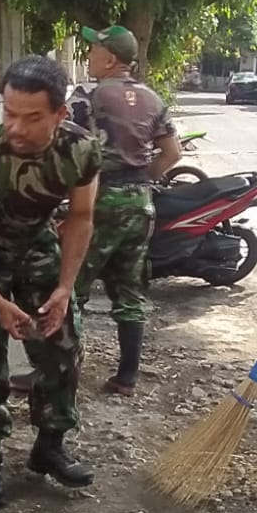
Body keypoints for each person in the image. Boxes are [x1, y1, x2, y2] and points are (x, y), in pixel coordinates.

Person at [0, 55, 102, 507]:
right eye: (9, 113)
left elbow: (82, 217)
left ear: (59, 114)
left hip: (35, 246)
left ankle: (49, 446)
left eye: (32, 118)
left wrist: (65, 288)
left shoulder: (80, 150)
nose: (16, 127)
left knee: (63, 342)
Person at [64, 23, 183, 395]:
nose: (88, 56)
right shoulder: (153, 99)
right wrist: (140, 178)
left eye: (94, 51)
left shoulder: (88, 97)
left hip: (97, 203)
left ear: (110, 58)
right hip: (140, 203)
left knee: (70, 289)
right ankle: (127, 377)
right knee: (129, 291)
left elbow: (62, 142)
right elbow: (173, 153)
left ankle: (60, 374)